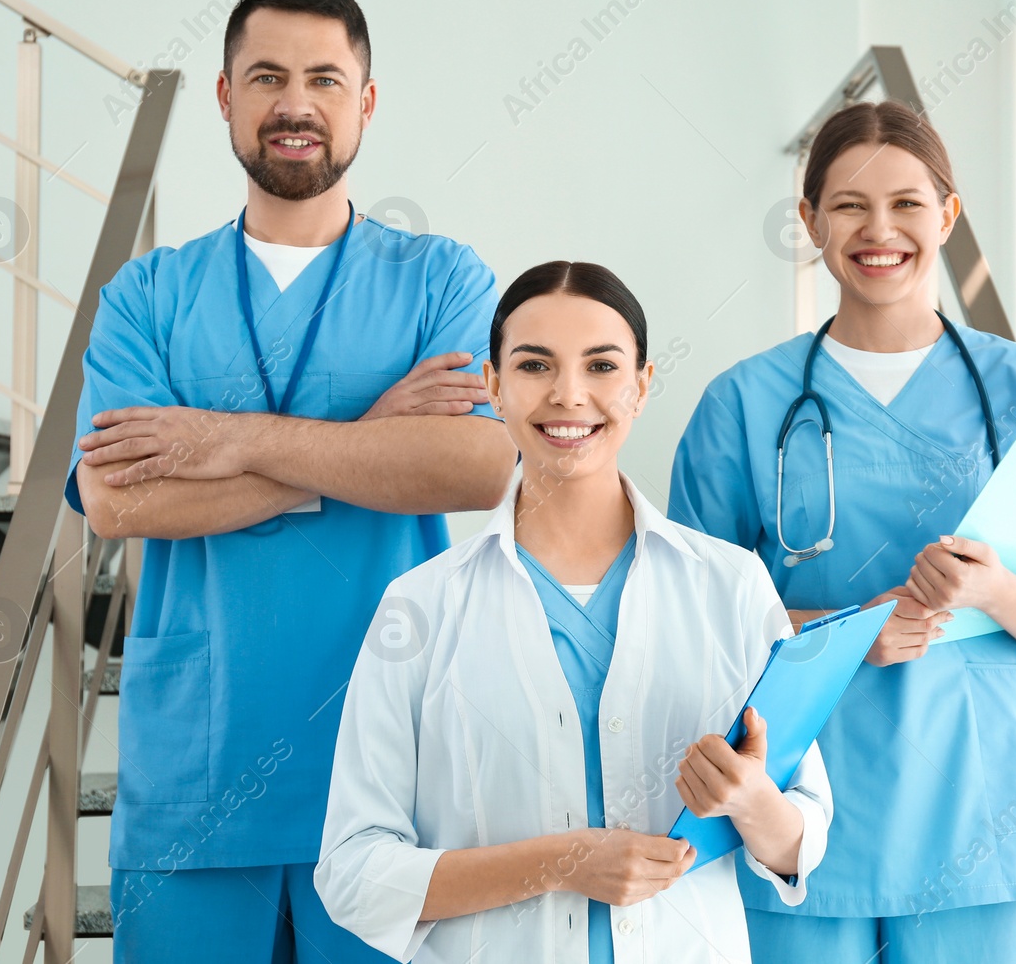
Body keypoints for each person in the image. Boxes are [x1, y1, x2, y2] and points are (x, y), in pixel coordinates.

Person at [66, 0, 516, 962]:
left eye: (324, 77)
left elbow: (477, 466)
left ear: (365, 100)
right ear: (227, 97)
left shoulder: (443, 279)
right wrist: (368, 439)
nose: (295, 103)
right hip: (196, 775)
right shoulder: (147, 294)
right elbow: (112, 497)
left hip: (389, 779)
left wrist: (223, 437)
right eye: (266, 76)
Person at [668, 101, 1016, 962]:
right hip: (792, 824)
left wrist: (995, 588)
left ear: (949, 215)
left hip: (982, 828)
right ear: (808, 221)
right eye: (847, 204)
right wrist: (847, 633)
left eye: (908, 204)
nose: (879, 229)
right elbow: (688, 624)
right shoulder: (741, 405)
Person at [315, 262, 831, 963]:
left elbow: (802, 833)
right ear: (494, 386)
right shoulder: (421, 607)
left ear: (642, 385)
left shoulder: (730, 586)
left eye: (601, 365)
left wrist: (752, 800)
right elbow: (352, 872)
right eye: (534, 365)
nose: (569, 394)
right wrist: (559, 861)